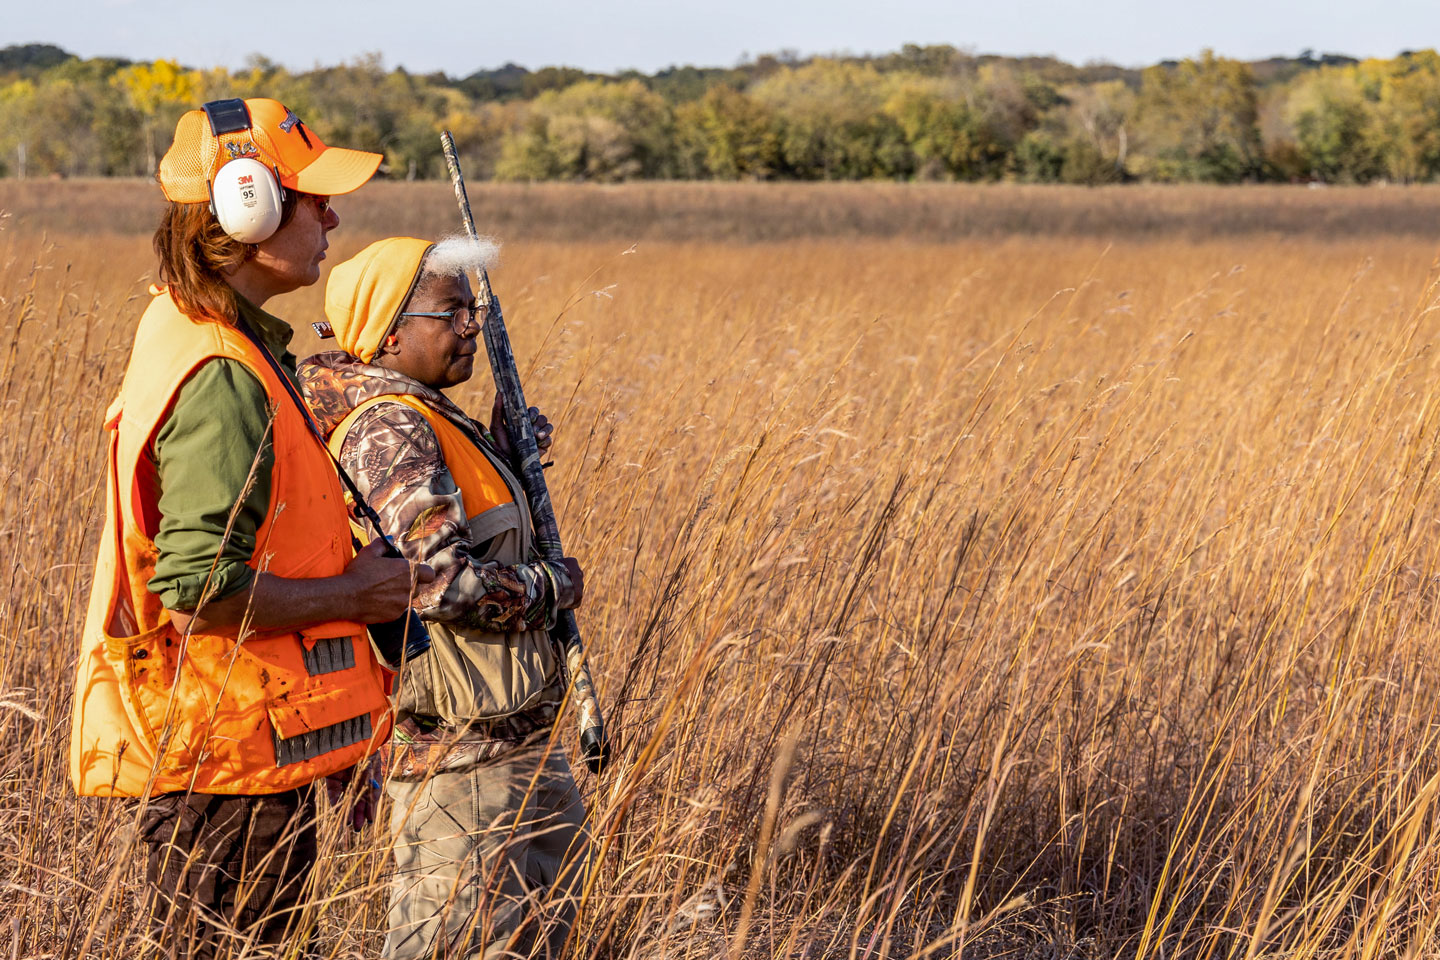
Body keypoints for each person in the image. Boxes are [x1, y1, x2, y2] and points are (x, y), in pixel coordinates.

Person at [68, 99, 434, 956]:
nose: (333, 216)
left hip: (243, 749)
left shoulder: (203, 332)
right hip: (227, 766)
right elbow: (197, 590)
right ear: (246, 209)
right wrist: (360, 589)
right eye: (314, 200)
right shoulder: (223, 374)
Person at [299, 236, 589, 959]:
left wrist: (499, 454)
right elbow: (440, 584)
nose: (471, 327)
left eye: (474, 308)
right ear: (389, 333)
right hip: (458, 759)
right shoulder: (389, 427)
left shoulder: (428, 418)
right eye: (451, 310)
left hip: (514, 738)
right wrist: (551, 586)